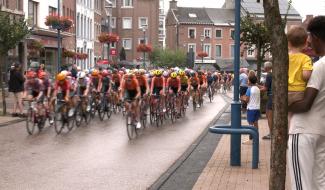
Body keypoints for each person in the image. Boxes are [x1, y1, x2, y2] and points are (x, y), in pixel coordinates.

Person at [287, 16, 325, 190]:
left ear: (316, 38)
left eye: (310, 38)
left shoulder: (319, 66)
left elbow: (305, 104)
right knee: (319, 183)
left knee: (301, 185)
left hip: (303, 131)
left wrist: (282, 105)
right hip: (321, 131)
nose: (308, 43)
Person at [287, 26, 313, 126]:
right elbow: (306, 75)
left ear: (288, 42)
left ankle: (288, 132)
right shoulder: (305, 58)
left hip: (285, 91)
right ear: (305, 43)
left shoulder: (285, 57)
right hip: (299, 92)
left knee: (288, 114)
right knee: (297, 116)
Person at [241, 74, 260, 145]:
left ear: (250, 81)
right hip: (257, 108)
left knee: (250, 125)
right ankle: (256, 138)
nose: (247, 81)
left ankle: (251, 139)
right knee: (256, 124)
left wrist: (242, 98)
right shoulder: (257, 88)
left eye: (248, 80)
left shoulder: (249, 89)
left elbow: (247, 100)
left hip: (251, 108)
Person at [260, 62, 272, 140]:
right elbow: (266, 86)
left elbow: (266, 88)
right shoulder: (273, 73)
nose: (263, 68)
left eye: (264, 66)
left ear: (267, 67)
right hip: (274, 96)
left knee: (269, 115)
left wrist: (256, 89)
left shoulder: (269, 75)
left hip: (271, 96)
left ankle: (271, 133)